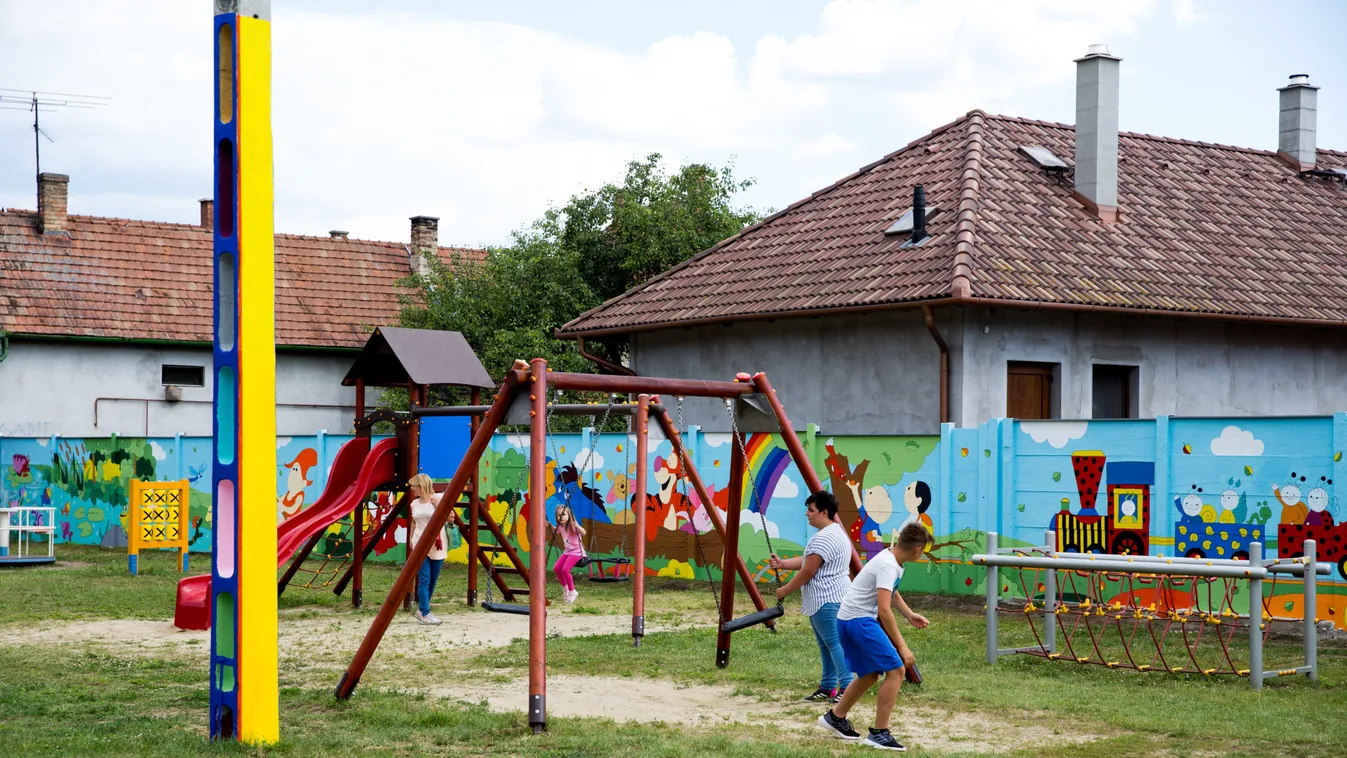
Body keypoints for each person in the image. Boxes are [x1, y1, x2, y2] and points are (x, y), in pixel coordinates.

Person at [817, 522, 933, 751]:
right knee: (897, 671)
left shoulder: (892, 559)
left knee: (870, 674)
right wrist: (902, 646)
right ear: (917, 549)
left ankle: (836, 717)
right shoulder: (888, 565)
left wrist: (909, 614)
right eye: (924, 550)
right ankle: (879, 734)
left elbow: (891, 592)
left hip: (848, 620)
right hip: (859, 621)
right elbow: (884, 610)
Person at [769, 490, 853, 703]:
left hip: (826, 599)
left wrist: (785, 590)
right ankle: (828, 686)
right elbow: (809, 560)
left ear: (824, 512)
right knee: (827, 644)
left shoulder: (824, 538)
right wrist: (783, 564)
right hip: (830, 598)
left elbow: (808, 571)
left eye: (811, 510)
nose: (807, 514)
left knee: (833, 643)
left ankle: (847, 686)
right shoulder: (834, 532)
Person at [408, 473, 459, 626]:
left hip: (437, 543)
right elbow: (414, 522)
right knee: (424, 579)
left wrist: (438, 506)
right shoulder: (414, 504)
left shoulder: (438, 498)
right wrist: (411, 538)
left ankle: (421, 610)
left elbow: (451, 518)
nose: (412, 489)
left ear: (422, 486)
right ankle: (425, 613)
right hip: (420, 543)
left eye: (414, 486)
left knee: (432, 580)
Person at [552, 504, 587, 604]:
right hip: (567, 552)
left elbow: (584, 533)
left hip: (577, 552)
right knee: (556, 568)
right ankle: (566, 588)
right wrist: (549, 524)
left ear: (569, 515)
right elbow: (555, 531)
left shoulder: (572, 525)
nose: (561, 517)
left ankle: (572, 591)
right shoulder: (561, 526)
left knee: (565, 569)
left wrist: (578, 526)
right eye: (559, 515)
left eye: (563, 514)